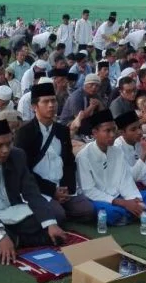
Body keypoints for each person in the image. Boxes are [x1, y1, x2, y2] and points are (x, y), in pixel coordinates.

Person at [0, 119, 65, 265]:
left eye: (9, 144)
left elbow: (31, 192)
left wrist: (50, 223)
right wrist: (1, 235)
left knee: (55, 216)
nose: (5, 150)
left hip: (10, 209)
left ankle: (13, 240)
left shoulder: (18, 155)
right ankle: (24, 240)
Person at [14, 82, 94, 224]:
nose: (51, 105)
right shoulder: (24, 133)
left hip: (61, 186)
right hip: (40, 188)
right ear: (34, 107)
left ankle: (58, 208)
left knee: (88, 211)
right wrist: (52, 191)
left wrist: (65, 188)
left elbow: (69, 162)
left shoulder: (62, 130)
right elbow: (24, 171)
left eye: (53, 100)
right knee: (58, 215)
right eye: (45, 102)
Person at [76, 110, 146, 226]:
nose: (112, 135)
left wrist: (134, 200)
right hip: (101, 200)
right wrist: (123, 203)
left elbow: (125, 180)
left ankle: (129, 216)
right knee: (109, 213)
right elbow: (89, 191)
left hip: (120, 195)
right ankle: (138, 214)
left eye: (113, 130)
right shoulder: (83, 156)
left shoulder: (117, 152)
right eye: (107, 131)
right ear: (95, 133)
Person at [113, 110, 146, 191]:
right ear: (122, 133)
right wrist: (144, 153)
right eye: (133, 129)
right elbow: (132, 177)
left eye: (140, 127)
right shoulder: (117, 147)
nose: (140, 132)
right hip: (132, 188)